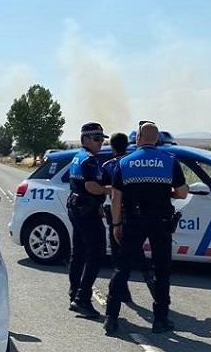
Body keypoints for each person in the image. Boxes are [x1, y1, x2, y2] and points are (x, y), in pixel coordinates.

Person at [105, 121, 188, 334]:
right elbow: (182, 193)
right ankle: (160, 319)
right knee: (162, 271)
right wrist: (165, 192)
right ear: (158, 139)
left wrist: (116, 224)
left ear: (138, 139)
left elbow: (116, 198)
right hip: (160, 222)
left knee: (122, 268)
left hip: (133, 221)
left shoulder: (124, 163)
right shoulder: (170, 162)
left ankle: (111, 318)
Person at [66, 122, 110, 318]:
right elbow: (92, 186)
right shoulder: (90, 160)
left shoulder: (78, 156)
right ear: (85, 139)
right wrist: (108, 190)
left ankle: (75, 291)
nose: (101, 142)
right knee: (97, 252)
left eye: (102, 138)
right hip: (86, 210)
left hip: (78, 208)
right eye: (97, 138)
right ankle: (82, 298)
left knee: (79, 252)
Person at [102, 132, 129, 266]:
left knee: (116, 249)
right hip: (133, 210)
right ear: (127, 145)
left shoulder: (107, 166)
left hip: (114, 211)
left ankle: (119, 274)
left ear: (112, 147)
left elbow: (103, 189)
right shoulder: (132, 163)